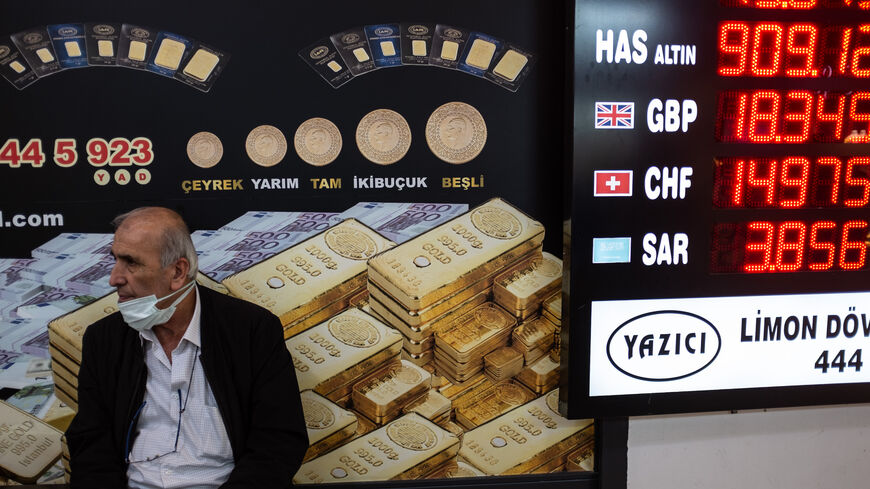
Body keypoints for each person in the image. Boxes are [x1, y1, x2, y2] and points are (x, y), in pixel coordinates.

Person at [66, 207, 308, 488]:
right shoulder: (104, 340)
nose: (114, 278)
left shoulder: (251, 330)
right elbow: (91, 445)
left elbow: (278, 441)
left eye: (130, 263)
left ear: (178, 271)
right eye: (116, 260)